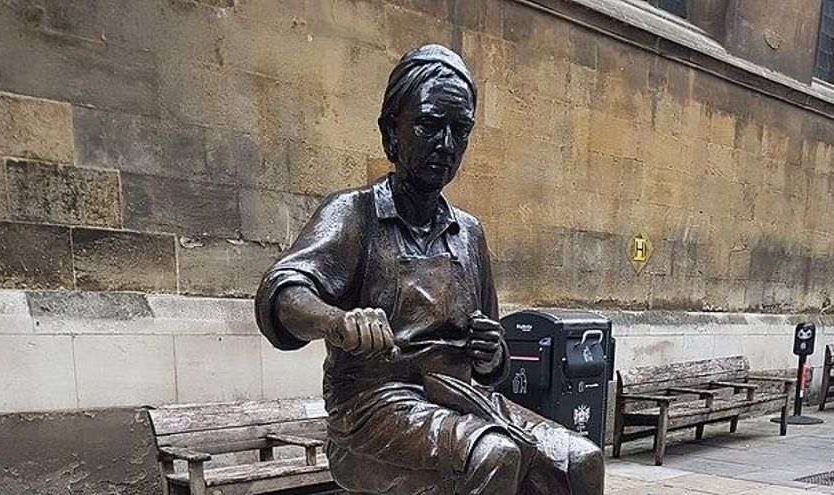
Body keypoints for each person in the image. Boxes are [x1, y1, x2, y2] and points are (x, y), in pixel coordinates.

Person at [256, 44, 603, 495]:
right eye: (429, 125)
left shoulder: (469, 233)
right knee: (495, 456)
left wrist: (491, 353)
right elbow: (281, 293)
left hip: (458, 399)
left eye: (459, 130)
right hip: (370, 409)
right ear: (391, 134)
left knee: (581, 462)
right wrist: (337, 320)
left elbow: (493, 359)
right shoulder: (354, 214)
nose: (446, 144)